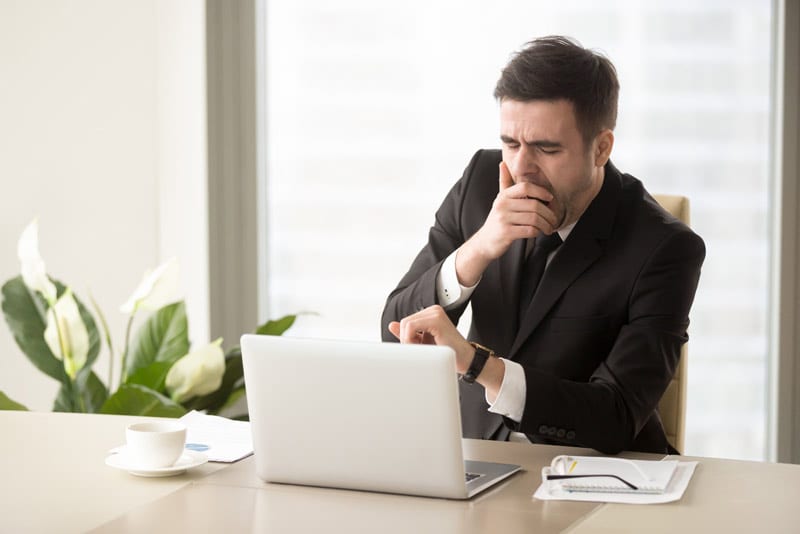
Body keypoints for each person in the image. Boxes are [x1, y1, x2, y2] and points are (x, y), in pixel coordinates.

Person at [380, 36, 705, 455]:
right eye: (511, 143)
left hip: (593, 471)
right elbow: (395, 331)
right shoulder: (481, 181)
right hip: (475, 457)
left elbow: (617, 417)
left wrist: (478, 364)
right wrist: (478, 249)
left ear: (601, 147)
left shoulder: (665, 248)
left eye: (546, 149)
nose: (521, 168)